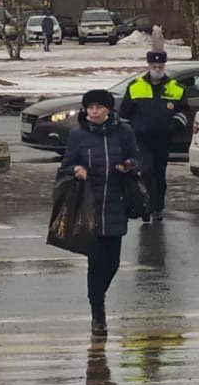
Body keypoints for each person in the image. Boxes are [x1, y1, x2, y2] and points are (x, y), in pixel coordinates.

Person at [59, 88, 141, 337]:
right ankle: (98, 312)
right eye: (90, 107)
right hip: (89, 205)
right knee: (95, 262)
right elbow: (66, 166)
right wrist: (77, 170)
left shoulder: (124, 132)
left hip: (116, 202)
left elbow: (136, 159)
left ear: (108, 109)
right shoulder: (78, 135)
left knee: (113, 262)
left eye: (99, 107)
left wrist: (128, 166)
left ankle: (98, 296)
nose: (94, 112)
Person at [119, 39, 189, 224]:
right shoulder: (135, 86)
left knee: (159, 174)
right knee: (146, 170)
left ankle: (158, 207)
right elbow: (124, 114)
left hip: (163, 140)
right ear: (148, 66)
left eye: (160, 66)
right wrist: (126, 137)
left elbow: (184, 111)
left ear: (164, 66)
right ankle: (146, 206)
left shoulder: (176, 88)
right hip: (141, 139)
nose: (157, 69)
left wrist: (174, 126)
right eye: (154, 66)